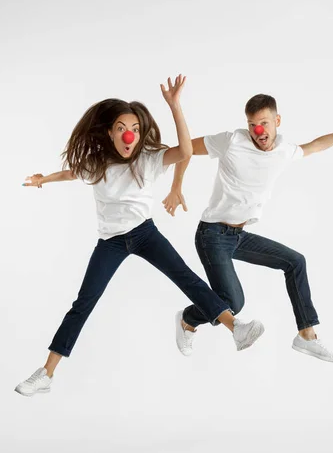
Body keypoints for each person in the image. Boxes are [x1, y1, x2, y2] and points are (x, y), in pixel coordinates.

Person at [15, 77, 264, 397]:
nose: (128, 133)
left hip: (145, 233)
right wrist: (43, 179)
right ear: (110, 133)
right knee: (84, 303)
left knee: (187, 279)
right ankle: (46, 373)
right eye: (120, 127)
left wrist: (174, 106)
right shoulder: (97, 164)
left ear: (140, 133)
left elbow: (186, 151)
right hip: (111, 242)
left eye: (133, 127)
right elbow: (71, 173)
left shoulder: (149, 158)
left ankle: (236, 328)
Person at [162, 93, 333, 363]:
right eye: (252, 124)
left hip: (238, 235)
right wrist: (176, 188)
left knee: (295, 262)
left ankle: (306, 335)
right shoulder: (232, 141)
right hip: (212, 235)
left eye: (264, 123)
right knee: (232, 302)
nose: (258, 131)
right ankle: (187, 319)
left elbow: (318, 144)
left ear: (277, 121)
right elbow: (185, 149)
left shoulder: (285, 150)